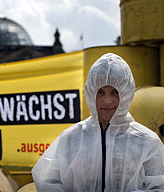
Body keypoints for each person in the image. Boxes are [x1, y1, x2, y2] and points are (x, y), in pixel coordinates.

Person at [32, 53, 164, 191]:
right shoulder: (71, 138)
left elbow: (159, 187)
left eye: (115, 92)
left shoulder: (146, 142)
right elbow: (48, 181)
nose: (107, 101)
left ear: (127, 93)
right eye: (100, 91)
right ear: (90, 92)